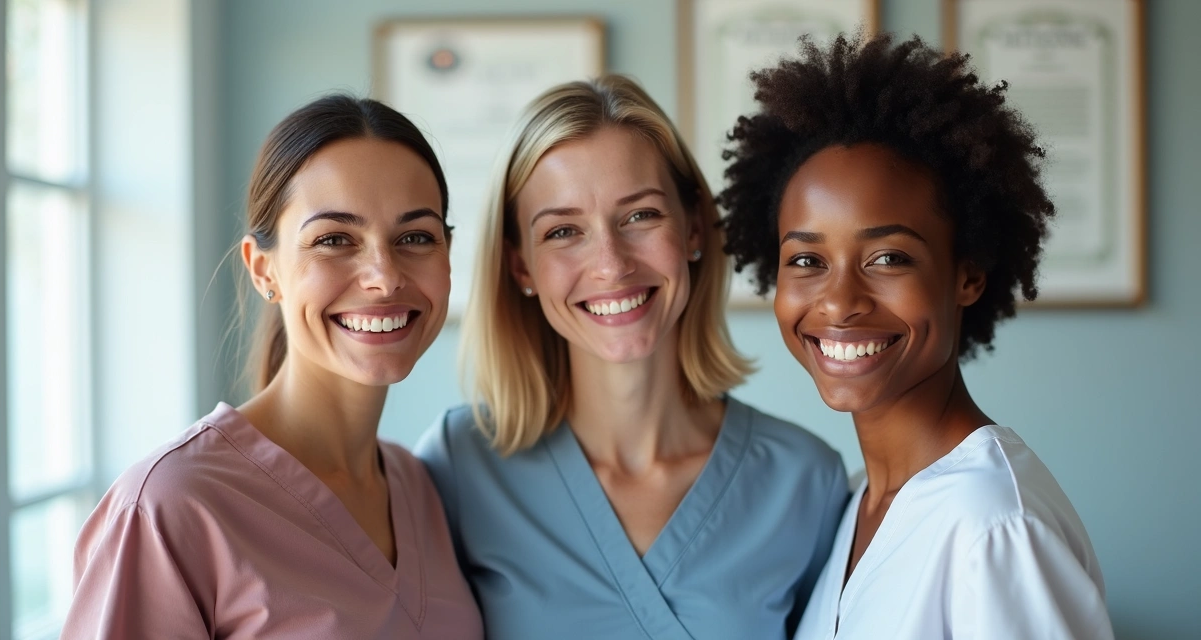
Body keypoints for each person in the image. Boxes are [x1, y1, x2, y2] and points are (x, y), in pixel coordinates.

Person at [414, 74, 848, 640]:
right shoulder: (457, 468)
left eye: (641, 216)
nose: (611, 264)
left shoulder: (804, 480)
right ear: (521, 266)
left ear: (693, 228)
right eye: (564, 230)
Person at [719, 34, 1114, 639]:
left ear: (967, 275)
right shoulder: (855, 504)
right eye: (806, 261)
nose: (841, 302)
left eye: (888, 258)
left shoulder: (994, 523)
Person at [62, 95, 483, 638]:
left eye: (415, 237)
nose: (384, 276)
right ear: (265, 271)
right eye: (334, 240)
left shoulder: (422, 490)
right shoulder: (170, 507)